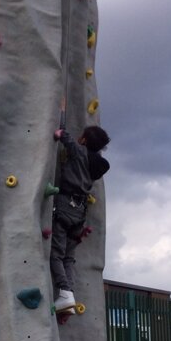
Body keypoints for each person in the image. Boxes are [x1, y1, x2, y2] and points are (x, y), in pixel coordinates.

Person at [50, 124, 110, 313]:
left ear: (84, 140)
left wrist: (60, 129)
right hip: (80, 212)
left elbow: (63, 137)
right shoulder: (97, 163)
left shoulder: (80, 152)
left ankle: (65, 292)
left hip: (65, 204)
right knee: (68, 257)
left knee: (56, 254)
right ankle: (69, 296)